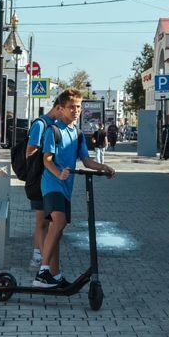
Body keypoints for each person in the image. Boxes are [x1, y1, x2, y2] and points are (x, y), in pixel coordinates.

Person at [36, 89, 115, 288]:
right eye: (72, 107)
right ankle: (42, 273)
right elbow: (46, 160)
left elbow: (87, 161)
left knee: (58, 229)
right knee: (59, 222)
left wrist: (103, 167)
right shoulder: (53, 130)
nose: (76, 110)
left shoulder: (77, 133)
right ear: (61, 109)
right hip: (51, 184)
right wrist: (59, 173)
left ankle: (55, 274)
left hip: (66, 187)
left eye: (78, 107)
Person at [24, 106, 57, 269]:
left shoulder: (55, 124)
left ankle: (42, 254)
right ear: (58, 107)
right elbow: (29, 151)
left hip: (50, 179)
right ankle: (37, 256)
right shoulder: (41, 124)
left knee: (48, 221)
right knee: (41, 221)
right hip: (39, 179)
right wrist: (35, 172)